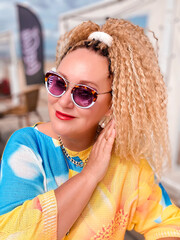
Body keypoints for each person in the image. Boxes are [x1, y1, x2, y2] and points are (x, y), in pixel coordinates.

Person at [0, 18, 180, 240]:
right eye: (58, 83)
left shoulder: (126, 163)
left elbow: (170, 224)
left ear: (113, 105)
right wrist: (90, 175)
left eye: (84, 93)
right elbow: (11, 234)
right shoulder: (28, 147)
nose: (64, 101)